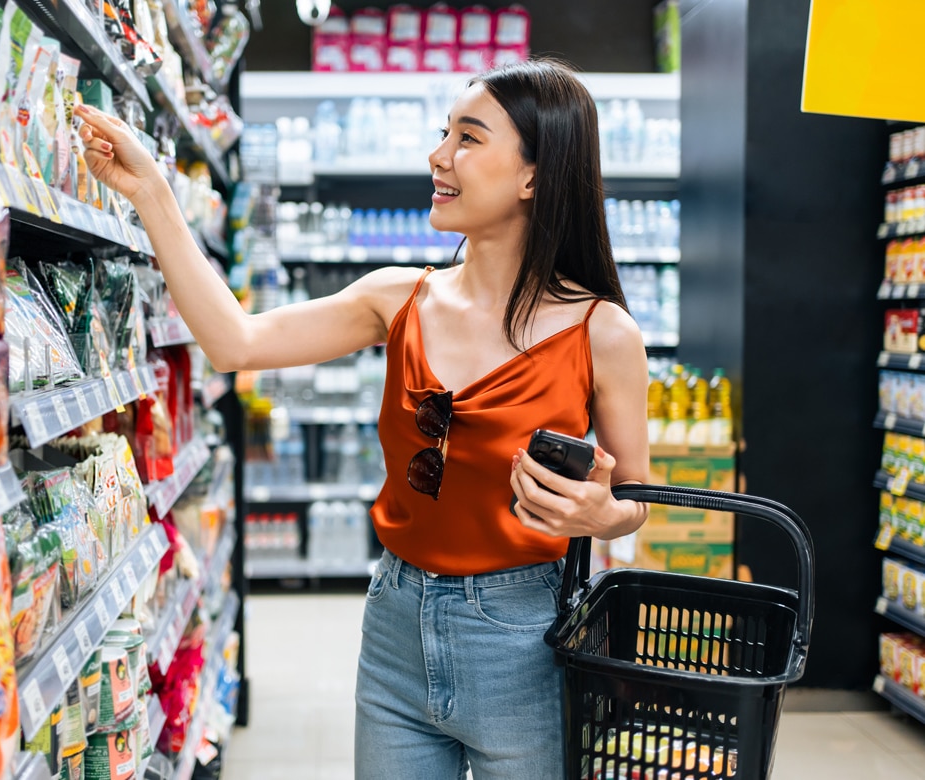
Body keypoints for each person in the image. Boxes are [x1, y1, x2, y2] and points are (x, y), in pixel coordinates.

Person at [76, 56, 649, 780]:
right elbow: (234, 342)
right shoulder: (396, 297)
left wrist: (603, 514)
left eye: (468, 138)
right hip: (394, 626)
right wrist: (151, 194)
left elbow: (636, 498)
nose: (438, 156)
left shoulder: (603, 333)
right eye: (444, 134)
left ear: (535, 174)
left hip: (522, 638)